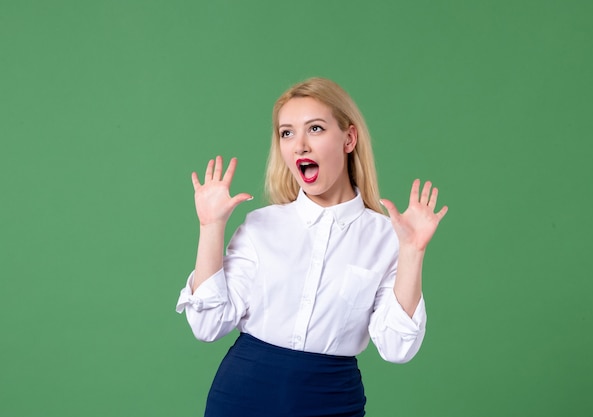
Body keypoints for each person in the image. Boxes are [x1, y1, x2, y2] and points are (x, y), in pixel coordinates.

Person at [176, 77, 448, 417]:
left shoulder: (387, 237)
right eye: (287, 133)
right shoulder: (261, 226)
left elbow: (397, 348)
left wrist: (412, 252)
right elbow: (208, 326)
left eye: (315, 129)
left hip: (332, 401)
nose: (299, 146)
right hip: (241, 397)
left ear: (349, 138)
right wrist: (211, 227)